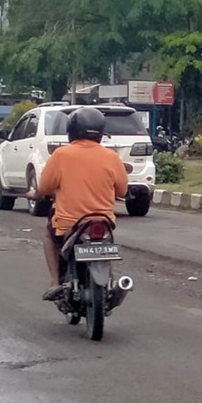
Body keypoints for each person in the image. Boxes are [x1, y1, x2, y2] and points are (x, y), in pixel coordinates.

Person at [28, 107, 128, 301]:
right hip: (104, 222)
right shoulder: (112, 157)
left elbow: (45, 188)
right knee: (106, 246)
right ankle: (110, 281)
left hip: (69, 224)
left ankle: (55, 282)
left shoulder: (61, 155)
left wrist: (34, 194)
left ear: (72, 130)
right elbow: (123, 191)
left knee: (49, 236)